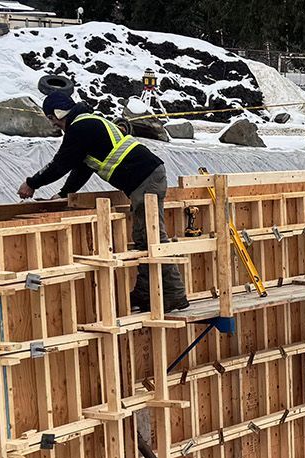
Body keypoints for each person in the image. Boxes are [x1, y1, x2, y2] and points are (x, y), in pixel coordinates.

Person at [17, 91, 187, 311]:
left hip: (144, 178)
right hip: (145, 178)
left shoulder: (80, 127)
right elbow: (83, 167)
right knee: (144, 237)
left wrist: (32, 183)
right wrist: (65, 193)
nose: (55, 125)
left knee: (151, 237)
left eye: (53, 119)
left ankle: (175, 294)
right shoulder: (89, 124)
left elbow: (61, 163)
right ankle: (145, 295)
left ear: (58, 113)